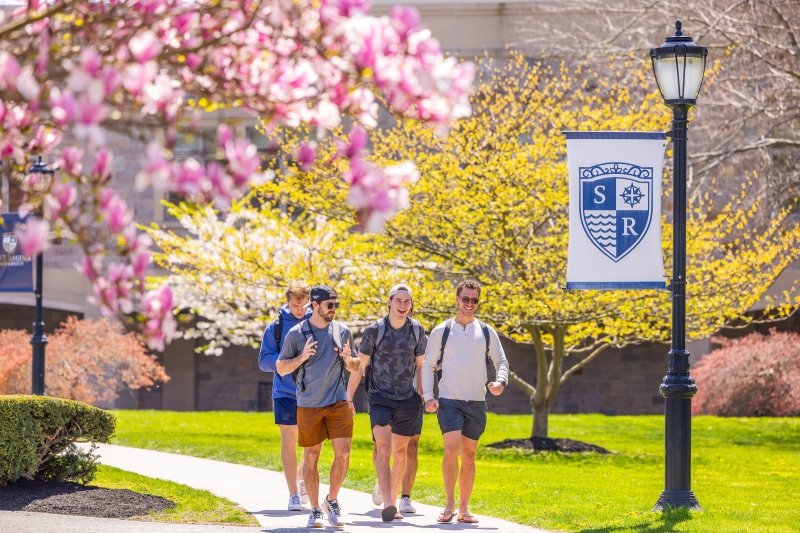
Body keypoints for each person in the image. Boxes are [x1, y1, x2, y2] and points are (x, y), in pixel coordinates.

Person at [422, 278, 509, 525]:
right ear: (457, 299)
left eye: (474, 300)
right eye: (465, 299)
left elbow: (501, 362)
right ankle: (448, 505)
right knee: (451, 449)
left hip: (476, 401)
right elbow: (428, 366)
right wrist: (429, 396)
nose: (469, 303)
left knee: (469, 454)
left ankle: (464, 508)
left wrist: (500, 382)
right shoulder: (442, 330)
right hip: (449, 400)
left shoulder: (486, 331)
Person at [276, 285, 360, 529]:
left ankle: (331, 500)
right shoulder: (297, 333)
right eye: (329, 305)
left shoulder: (342, 331)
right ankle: (314, 510)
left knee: (343, 453)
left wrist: (348, 360)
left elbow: (356, 366)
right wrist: (301, 357)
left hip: (338, 401)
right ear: (314, 305)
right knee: (312, 455)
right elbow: (281, 367)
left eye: (336, 305)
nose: (334, 309)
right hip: (309, 403)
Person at [346, 284, 426, 522]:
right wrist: (348, 397)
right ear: (390, 302)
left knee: (400, 452)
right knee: (383, 447)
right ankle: (390, 504)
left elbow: (421, 366)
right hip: (380, 397)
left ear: (411, 304)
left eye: (407, 301)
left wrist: (422, 393)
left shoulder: (417, 330)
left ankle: (392, 497)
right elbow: (361, 366)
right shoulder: (375, 330)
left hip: (407, 399)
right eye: (398, 300)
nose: (402, 305)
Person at [257, 281, 312, 511]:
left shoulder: (315, 322)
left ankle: (301, 475)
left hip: (313, 392)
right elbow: (263, 361)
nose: (299, 311)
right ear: (288, 302)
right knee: (289, 441)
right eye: (294, 306)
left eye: (303, 305)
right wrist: (282, 361)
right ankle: (293, 495)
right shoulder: (276, 327)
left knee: (312, 443)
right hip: (285, 392)